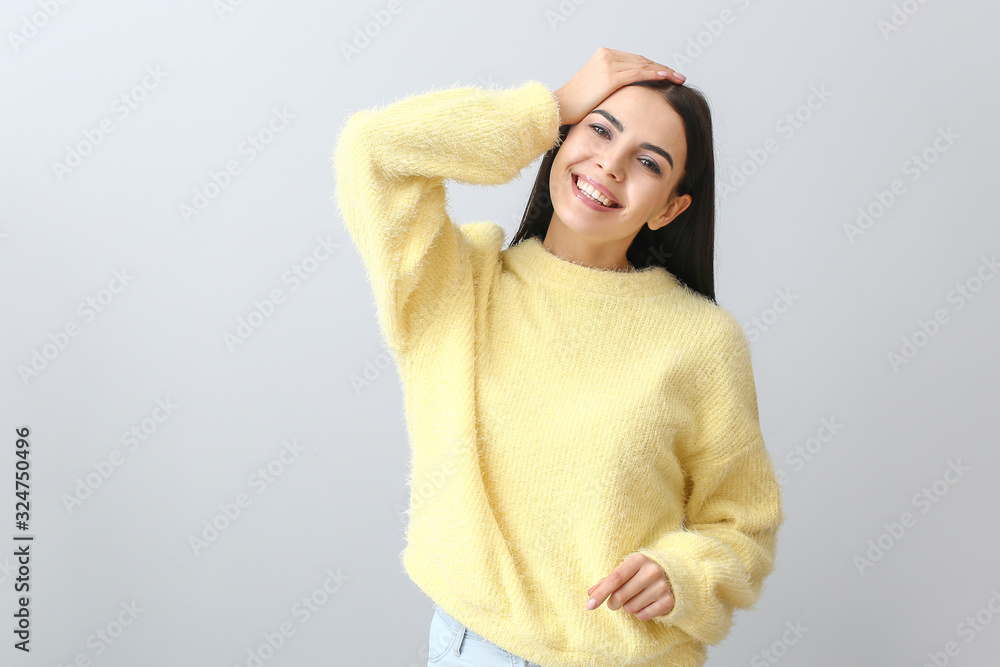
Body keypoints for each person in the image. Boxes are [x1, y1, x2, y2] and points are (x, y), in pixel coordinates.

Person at [333, 47, 785, 667]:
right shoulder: (458, 286)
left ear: (671, 208)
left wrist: (681, 572)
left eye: (648, 163)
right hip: (480, 649)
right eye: (599, 130)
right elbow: (374, 148)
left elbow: (743, 524)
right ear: (563, 137)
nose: (610, 164)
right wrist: (547, 107)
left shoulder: (702, 341)